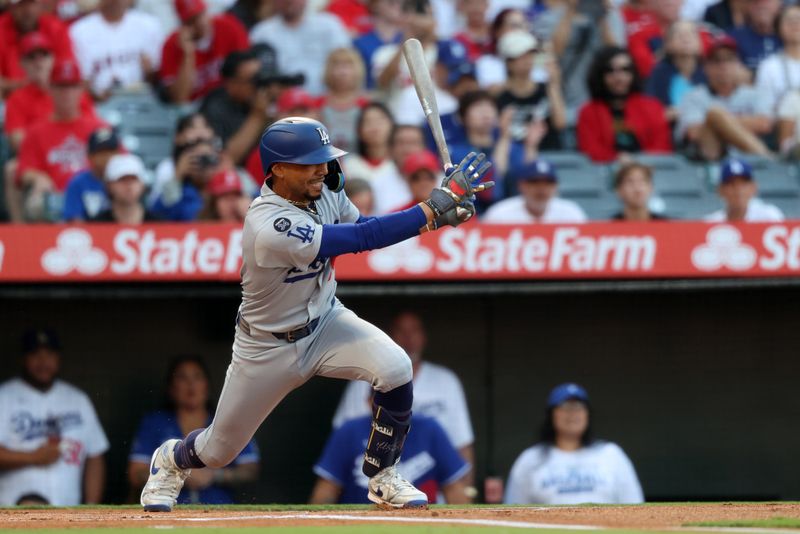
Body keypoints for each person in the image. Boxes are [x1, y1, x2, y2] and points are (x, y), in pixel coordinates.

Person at [138, 117, 493, 512]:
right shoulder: (269, 223)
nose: (323, 169)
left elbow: (365, 225)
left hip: (325, 322)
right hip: (266, 346)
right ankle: (171, 459)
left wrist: (436, 219)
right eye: (310, 162)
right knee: (217, 451)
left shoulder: (324, 190)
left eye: (324, 160)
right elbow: (360, 240)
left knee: (396, 368)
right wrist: (431, 206)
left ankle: (382, 476)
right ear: (278, 170)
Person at [332, 311, 475, 475]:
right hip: (373, 481)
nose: (409, 338)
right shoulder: (363, 379)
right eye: (401, 331)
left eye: (414, 330)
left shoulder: (446, 381)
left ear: (424, 336)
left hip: (433, 485)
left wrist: (467, 491)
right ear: (390, 337)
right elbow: (342, 439)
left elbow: (462, 444)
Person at [129, 356, 259, 505]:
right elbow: (135, 473)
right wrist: (176, 478)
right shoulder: (155, 423)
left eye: (197, 377)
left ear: (207, 386)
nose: (191, 385)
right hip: (170, 509)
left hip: (219, 509)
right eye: (182, 378)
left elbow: (250, 470)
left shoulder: (227, 422)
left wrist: (215, 476)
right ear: (171, 388)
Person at [0, 328, 109, 506]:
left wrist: (91, 507)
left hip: (68, 513)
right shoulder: (3, 396)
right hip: (13, 514)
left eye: (49, 354)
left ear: (59, 358)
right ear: (24, 358)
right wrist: (33, 457)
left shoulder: (77, 399)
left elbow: (95, 455)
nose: (43, 362)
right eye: (36, 354)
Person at [504, 383, 644, 505]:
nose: (572, 413)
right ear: (551, 414)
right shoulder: (530, 459)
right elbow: (511, 512)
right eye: (565, 406)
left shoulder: (611, 454)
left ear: (587, 414)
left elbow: (635, 505)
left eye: (579, 406)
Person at [14, 58, 105, 222]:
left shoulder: (98, 127)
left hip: (93, 193)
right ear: (51, 89)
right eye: (61, 87)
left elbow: (119, 164)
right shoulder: (36, 131)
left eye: (72, 86)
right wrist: (38, 177)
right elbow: (23, 171)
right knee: (37, 202)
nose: (67, 93)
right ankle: (30, 244)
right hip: (55, 195)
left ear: (81, 89)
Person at [310, 413, 471, 505]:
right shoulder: (350, 430)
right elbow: (327, 490)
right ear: (370, 402)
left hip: (419, 524)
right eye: (385, 405)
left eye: (397, 405)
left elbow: (454, 488)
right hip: (364, 523)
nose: (391, 412)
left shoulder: (430, 429)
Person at [675, 36, 773, 161]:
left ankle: (763, 157)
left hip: (749, 162)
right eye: (717, 61)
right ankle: (767, 158)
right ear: (706, 67)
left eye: (729, 59)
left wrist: (719, 124)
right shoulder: (693, 96)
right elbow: (694, 132)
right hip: (711, 160)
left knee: (715, 116)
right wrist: (719, 120)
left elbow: (764, 124)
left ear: (738, 64)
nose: (723, 66)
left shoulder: (755, 94)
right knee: (714, 113)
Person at [531, 0, 626, 124]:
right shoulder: (548, 19)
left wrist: (602, 16)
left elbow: (615, 56)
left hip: (602, 106)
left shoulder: (611, 17)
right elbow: (555, 53)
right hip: (565, 106)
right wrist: (570, 11)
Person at [577, 46, 673, 163]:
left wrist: (636, 162)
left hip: (649, 174)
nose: (619, 77)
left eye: (625, 69)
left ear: (633, 73)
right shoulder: (588, 112)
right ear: (600, 75)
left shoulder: (653, 107)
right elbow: (590, 150)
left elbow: (662, 148)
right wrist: (617, 160)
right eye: (610, 70)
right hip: (604, 174)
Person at [250, 0, 350, 96]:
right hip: (280, 104)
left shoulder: (329, 25)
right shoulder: (262, 33)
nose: (289, 1)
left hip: (327, 101)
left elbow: (347, 62)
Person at [68, 0, 163, 99]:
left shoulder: (149, 25)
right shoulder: (79, 31)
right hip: (99, 105)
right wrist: (96, 95)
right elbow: (81, 83)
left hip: (142, 101)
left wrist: (150, 73)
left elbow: (161, 81)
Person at [159, 0, 250, 103]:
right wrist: (188, 54)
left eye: (201, 14)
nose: (200, 23)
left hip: (231, 99)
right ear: (183, 24)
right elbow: (179, 99)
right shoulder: (171, 45)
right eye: (193, 19)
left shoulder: (229, 26)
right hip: (195, 108)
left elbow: (249, 72)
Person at [494, 29, 566, 151]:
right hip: (513, 156)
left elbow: (560, 123)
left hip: (548, 153)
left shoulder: (546, 89)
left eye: (530, 54)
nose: (527, 60)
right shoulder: (499, 95)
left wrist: (554, 84)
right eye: (521, 56)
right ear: (508, 62)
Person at [199, 49, 273, 166]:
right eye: (253, 80)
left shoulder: (264, 100)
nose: (259, 85)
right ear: (231, 84)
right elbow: (225, 160)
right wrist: (257, 117)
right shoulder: (215, 108)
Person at [0, 0, 75, 94]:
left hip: (53, 97)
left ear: (40, 5)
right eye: (21, 5)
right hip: (9, 100)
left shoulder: (55, 28)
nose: (27, 11)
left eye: (31, 4)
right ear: (10, 7)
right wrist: (30, 86)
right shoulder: (1, 29)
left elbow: (68, 72)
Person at [482, 159, 587, 223]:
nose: (541, 188)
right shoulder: (500, 214)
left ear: (555, 187)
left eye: (548, 183)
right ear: (521, 186)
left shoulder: (571, 213)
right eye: (534, 182)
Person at [645, 21, 707, 120]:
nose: (686, 38)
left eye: (691, 33)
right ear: (667, 45)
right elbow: (649, 109)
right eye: (678, 34)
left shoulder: (709, 72)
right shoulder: (659, 74)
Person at [62, 127, 122, 221]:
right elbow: (74, 220)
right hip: (89, 233)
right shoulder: (78, 183)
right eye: (101, 153)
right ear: (90, 156)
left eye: (111, 152)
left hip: (121, 232)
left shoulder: (126, 180)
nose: (107, 157)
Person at [317, 48, 370, 153]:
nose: (342, 72)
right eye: (337, 65)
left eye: (348, 66)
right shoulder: (317, 105)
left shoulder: (367, 105)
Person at [704, 158, 784, 222]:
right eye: (731, 184)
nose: (738, 189)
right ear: (720, 190)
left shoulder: (768, 217)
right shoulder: (711, 222)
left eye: (744, 184)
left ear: (754, 187)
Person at [88, 154, 161, 224]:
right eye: (122, 179)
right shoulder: (96, 224)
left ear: (142, 185)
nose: (129, 185)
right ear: (109, 185)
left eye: (134, 179)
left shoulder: (159, 224)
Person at [755, 4, 800, 115]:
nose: (795, 24)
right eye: (789, 20)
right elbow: (764, 109)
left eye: (799, 19)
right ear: (778, 28)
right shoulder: (769, 67)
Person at [352, 0, 403, 89]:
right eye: (391, 2)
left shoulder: (411, 38)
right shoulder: (361, 43)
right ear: (374, 5)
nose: (398, 5)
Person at [342, 102, 396, 184]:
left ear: (392, 125)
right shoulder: (349, 166)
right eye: (368, 122)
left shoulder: (401, 163)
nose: (374, 127)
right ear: (359, 131)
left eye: (380, 121)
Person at [728, 0, 782, 73]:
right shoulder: (733, 37)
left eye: (767, 2)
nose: (761, 6)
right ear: (748, 7)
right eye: (755, 2)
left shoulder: (790, 34)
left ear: (779, 4)